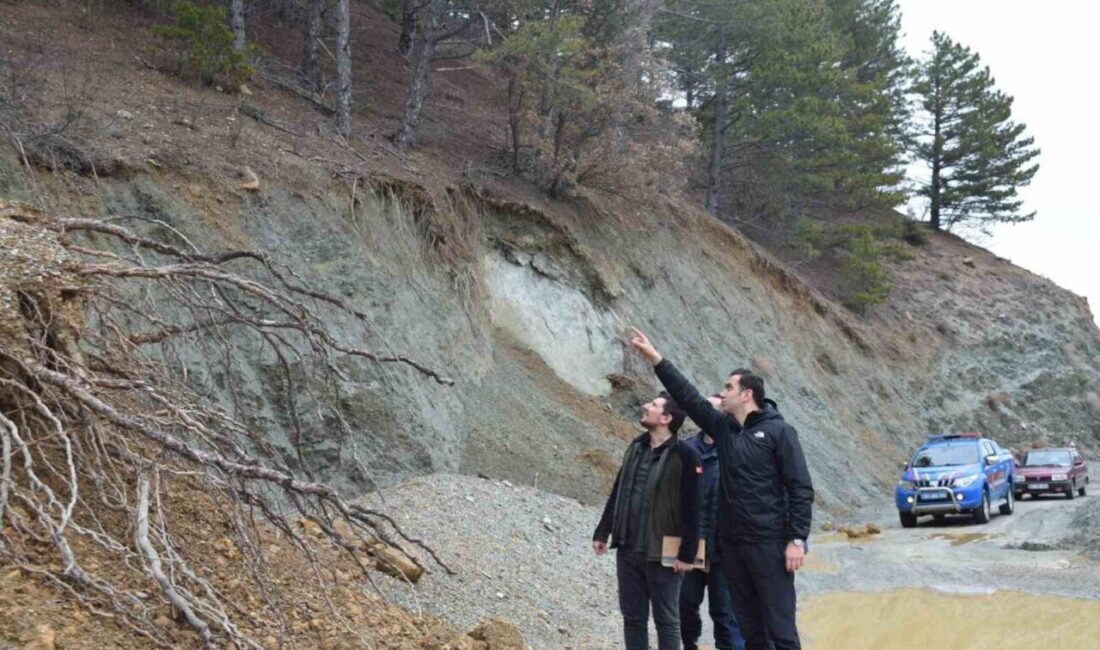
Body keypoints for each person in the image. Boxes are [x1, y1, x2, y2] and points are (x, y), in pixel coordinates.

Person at [629, 327, 814, 650]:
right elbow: (688, 397)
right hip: (733, 549)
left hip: (769, 544)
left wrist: (797, 538)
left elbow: (800, 488)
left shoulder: (780, 432)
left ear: (747, 394)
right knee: (750, 629)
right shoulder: (724, 430)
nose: (723, 392)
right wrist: (655, 358)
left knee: (780, 627)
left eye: (729, 387)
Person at [593, 392, 703, 650]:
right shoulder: (635, 447)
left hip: (663, 553)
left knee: (666, 621)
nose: (645, 406)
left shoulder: (685, 456)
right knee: (633, 619)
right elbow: (618, 491)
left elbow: (694, 509)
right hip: (628, 547)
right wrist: (603, 531)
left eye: (653, 405)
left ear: (666, 418)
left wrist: (687, 555)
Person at [680, 395, 746, 650]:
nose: (703, 412)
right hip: (688, 547)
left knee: (727, 617)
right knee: (682, 608)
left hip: (724, 551)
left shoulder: (737, 451)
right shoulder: (686, 449)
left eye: (711, 408)